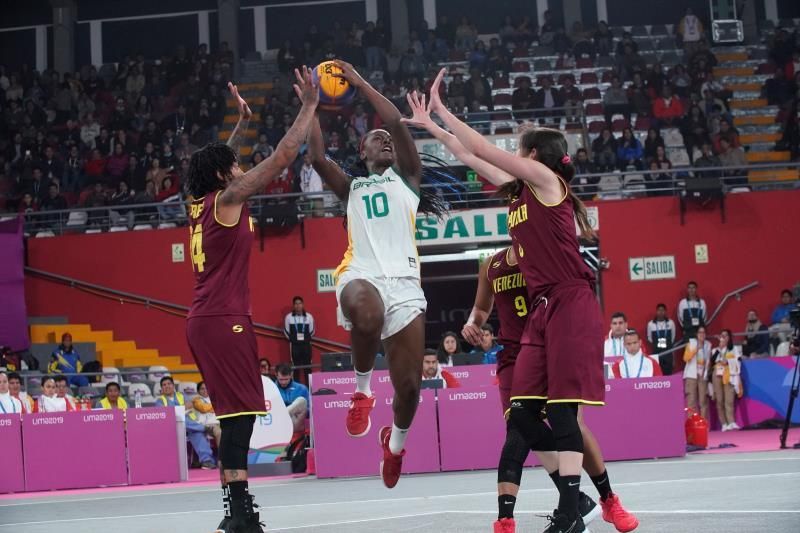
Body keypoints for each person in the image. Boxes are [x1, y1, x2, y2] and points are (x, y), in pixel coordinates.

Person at [425, 67, 606, 532]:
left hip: (569, 298)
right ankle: (576, 501)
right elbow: (471, 156)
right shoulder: (519, 191)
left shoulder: (546, 182)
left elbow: (485, 148)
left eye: (519, 148)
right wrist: (432, 127)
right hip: (545, 307)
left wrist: (446, 109)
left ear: (532, 156)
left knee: (563, 410)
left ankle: (574, 507)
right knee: (523, 410)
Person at [184, 71, 318, 532]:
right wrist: (308, 107)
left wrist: (240, 124)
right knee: (240, 419)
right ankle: (240, 514)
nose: (241, 168)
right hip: (224, 319)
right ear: (224, 176)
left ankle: (233, 512)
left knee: (233, 416)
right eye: (234, 165)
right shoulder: (230, 196)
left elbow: (219, 161)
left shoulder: (200, 201)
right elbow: (281, 157)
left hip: (205, 318)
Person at [306, 60, 448, 490]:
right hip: (361, 273)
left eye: (388, 140)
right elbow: (315, 156)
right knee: (366, 316)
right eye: (376, 140)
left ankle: (396, 444)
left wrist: (359, 81)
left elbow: (392, 118)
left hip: (405, 286)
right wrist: (311, 106)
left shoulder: (408, 179)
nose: (385, 140)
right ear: (362, 154)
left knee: (409, 389)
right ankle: (363, 391)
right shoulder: (351, 188)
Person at [460, 246, 637, 533]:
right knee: (519, 425)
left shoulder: (545, 254)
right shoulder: (490, 265)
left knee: (571, 423)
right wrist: (472, 323)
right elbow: (481, 308)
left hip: (549, 346)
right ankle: (572, 505)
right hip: (513, 356)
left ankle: (607, 500)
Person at [156, 376, 217, 469]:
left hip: (189, 426)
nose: (167, 386)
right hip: (172, 427)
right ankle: (204, 428)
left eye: (169, 384)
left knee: (196, 432)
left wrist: (180, 410)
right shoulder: (160, 401)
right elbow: (166, 414)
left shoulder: (182, 396)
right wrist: (181, 409)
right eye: (164, 385)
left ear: (173, 386)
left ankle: (207, 461)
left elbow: (190, 406)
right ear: (161, 389)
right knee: (181, 418)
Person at [708, 329, 741, 431]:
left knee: (729, 399)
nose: (723, 337)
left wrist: (728, 361)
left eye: (726, 336)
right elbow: (712, 362)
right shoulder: (715, 350)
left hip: (729, 374)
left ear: (729, 338)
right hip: (717, 374)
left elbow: (738, 360)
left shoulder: (734, 349)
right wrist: (719, 349)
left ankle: (731, 422)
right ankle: (724, 423)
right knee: (719, 399)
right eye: (722, 336)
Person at [283, 296, 315, 385]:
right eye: (296, 304)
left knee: (308, 368)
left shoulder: (309, 317)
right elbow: (286, 331)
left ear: (303, 305)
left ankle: (310, 389)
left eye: (300, 303)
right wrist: (294, 340)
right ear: (293, 306)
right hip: (294, 346)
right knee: (295, 369)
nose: (298, 305)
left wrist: (305, 339)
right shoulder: (288, 317)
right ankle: (296, 390)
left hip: (306, 345)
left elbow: (312, 331)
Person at [683, 326, 711, 420]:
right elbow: (686, 358)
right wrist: (696, 350)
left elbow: (708, 361)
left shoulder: (708, 345)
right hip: (691, 375)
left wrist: (706, 372)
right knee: (691, 401)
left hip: (703, 375)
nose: (702, 334)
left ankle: (704, 423)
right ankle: (692, 423)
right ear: (696, 334)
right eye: (700, 332)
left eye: (703, 332)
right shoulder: (691, 343)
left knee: (703, 401)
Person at [274, 364, 310, 433]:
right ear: (276, 375)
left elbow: (309, 411)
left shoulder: (302, 388)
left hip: (296, 422)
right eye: (281, 379)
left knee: (301, 401)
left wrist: (297, 410)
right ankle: (285, 413)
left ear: (291, 375)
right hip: (277, 423)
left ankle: (286, 412)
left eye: (286, 379)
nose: (283, 382)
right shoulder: (271, 389)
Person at [646, 304, 677, 375]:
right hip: (656, 352)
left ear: (665, 312)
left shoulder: (671, 323)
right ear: (656, 311)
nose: (661, 312)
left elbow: (673, 337)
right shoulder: (651, 324)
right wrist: (657, 345)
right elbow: (649, 338)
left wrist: (667, 344)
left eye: (662, 310)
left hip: (668, 352)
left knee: (668, 374)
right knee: (657, 374)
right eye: (659, 310)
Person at [193, 381, 222, 446]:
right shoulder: (196, 400)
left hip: (219, 423)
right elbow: (203, 409)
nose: (205, 390)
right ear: (198, 391)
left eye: (206, 388)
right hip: (207, 425)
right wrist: (214, 406)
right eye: (202, 389)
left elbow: (221, 407)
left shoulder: (214, 399)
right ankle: (223, 456)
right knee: (219, 433)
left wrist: (210, 407)